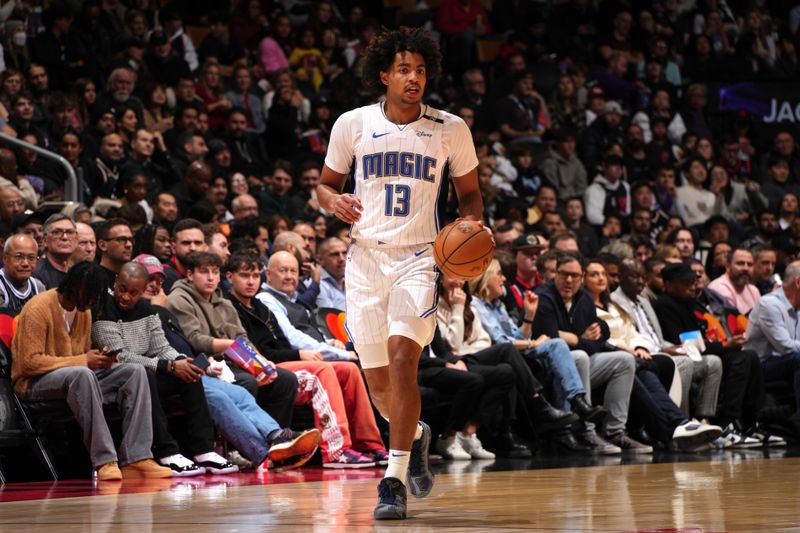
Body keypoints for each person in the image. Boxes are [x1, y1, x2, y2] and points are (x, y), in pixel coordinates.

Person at [316, 27, 481, 520]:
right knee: (384, 390)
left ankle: (393, 479)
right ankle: (415, 433)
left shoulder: (450, 128)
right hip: (365, 258)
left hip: (419, 257)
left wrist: (468, 224)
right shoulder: (353, 124)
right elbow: (325, 186)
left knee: (404, 358)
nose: (414, 78)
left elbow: (470, 196)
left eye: (422, 70)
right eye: (404, 70)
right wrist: (335, 200)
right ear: (384, 74)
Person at [11, 261, 173, 481]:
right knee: (82, 373)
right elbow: (28, 363)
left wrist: (101, 358)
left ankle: (137, 457)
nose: (92, 302)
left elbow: (84, 356)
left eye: (96, 297)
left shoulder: (83, 312)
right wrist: (83, 360)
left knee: (134, 371)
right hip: (34, 384)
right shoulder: (38, 307)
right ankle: (105, 460)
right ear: (73, 286)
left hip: (74, 378)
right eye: (89, 295)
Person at [226, 251, 388, 468]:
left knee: (348, 369)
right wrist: (296, 354)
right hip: (264, 366)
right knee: (323, 371)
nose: (251, 281)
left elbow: (283, 341)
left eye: (255, 276)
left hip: (281, 360)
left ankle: (369, 444)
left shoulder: (260, 306)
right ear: (230, 277)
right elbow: (259, 351)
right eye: (245, 276)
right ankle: (336, 451)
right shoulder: (231, 307)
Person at [165, 251, 320, 469]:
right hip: (203, 365)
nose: (210, 277)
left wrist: (262, 365)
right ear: (189, 275)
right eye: (203, 272)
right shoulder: (179, 299)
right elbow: (195, 340)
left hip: (228, 363)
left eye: (214, 272)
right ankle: (257, 452)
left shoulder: (223, 301)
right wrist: (230, 346)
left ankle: (281, 438)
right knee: (244, 384)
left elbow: (243, 340)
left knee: (283, 379)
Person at [92, 262, 238, 476]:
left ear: (143, 291)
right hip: (117, 378)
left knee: (190, 374)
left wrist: (180, 361)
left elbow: (161, 347)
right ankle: (166, 452)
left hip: (148, 370)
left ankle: (203, 450)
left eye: (133, 292)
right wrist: (169, 366)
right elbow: (119, 355)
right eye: (122, 289)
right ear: (115, 282)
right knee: (144, 376)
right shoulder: (102, 308)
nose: (125, 297)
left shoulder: (148, 310)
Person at [532, 253, 648, 453]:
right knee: (580, 356)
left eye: (575, 276)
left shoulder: (584, 298)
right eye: (564, 274)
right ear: (556, 274)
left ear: (582, 276)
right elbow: (551, 339)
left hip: (580, 365)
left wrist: (576, 339)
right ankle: (586, 432)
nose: (569, 280)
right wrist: (581, 339)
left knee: (624, 360)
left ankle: (615, 432)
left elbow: (599, 341)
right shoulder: (543, 297)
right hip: (548, 371)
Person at [746, 261, 800, 415]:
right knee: (798, 359)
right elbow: (785, 347)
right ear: (798, 282)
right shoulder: (769, 304)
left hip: (786, 360)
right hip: (761, 364)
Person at [707, 248, 761, 315]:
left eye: (750, 264)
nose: (746, 268)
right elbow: (732, 320)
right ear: (728, 266)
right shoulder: (718, 287)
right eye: (740, 263)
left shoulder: (754, 290)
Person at [0, 234, 46, 313]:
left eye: (31, 258)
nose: (25, 263)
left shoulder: (38, 287)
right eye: (19, 257)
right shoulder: (1, 285)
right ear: (5, 258)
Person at [33, 214, 77, 289]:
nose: (65, 237)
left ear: (76, 239)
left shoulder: (79, 272)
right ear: (44, 240)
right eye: (57, 232)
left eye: (70, 232)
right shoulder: (36, 274)